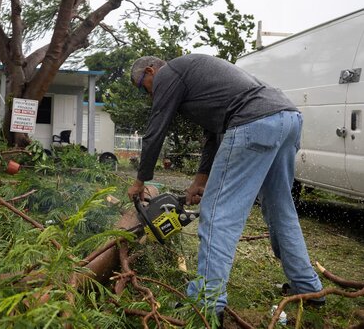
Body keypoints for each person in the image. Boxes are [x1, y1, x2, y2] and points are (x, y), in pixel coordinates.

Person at [126, 54, 324, 322]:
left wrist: (141, 180)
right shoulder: (196, 77)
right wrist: (200, 180)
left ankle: (207, 302)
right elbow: (214, 133)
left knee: (218, 215)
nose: (148, 94)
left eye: (142, 86)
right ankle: (309, 289)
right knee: (281, 210)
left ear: (151, 71)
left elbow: (155, 130)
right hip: (286, 118)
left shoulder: (168, 74)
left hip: (253, 122)